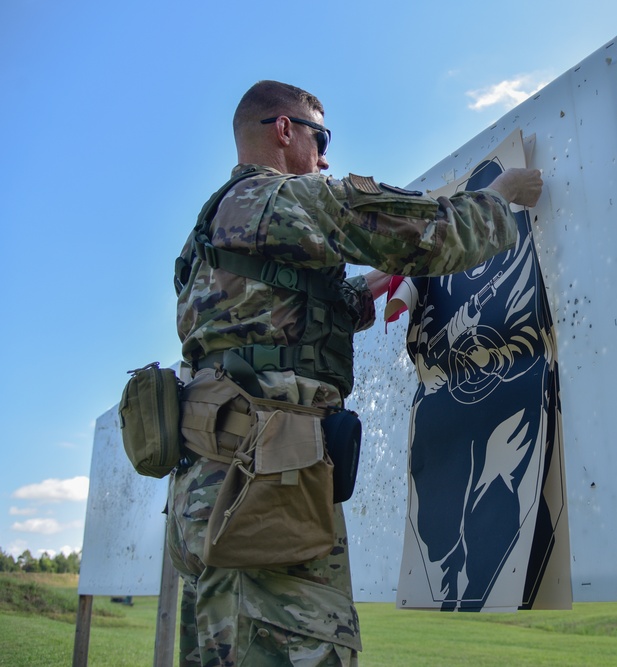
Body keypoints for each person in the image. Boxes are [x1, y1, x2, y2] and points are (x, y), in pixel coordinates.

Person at [166, 79, 542, 666]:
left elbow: (275, 324)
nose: (325, 157)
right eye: (321, 137)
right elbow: (426, 232)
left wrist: (362, 292)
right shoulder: (283, 199)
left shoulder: (213, 229)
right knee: (311, 645)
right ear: (284, 130)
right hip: (266, 488)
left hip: (210, 488)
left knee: (225, 646)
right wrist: (500, 197)